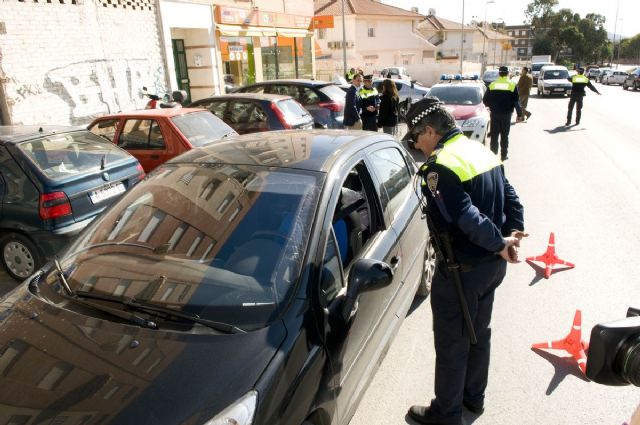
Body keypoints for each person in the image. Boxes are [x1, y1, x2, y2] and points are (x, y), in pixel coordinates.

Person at [402, 97, 527, 425]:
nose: (417, 145)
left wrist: (500, 242)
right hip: (491, 269)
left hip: (461, 272)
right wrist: (512, 233)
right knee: (479, 333)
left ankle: (447, 414)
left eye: (416, 138)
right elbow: (512, 197)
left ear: (430, 131)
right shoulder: (481, 150)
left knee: (452, 344)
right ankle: (474, 399)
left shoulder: (439, 166)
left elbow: (464, 216)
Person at [482, 66, 523, 161]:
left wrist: (491, 106)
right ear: (508, 73)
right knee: (504, 135)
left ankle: (493, 156)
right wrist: (519, 114)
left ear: (499, 74)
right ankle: (503, 156)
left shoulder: (492, 85)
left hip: (495, 114)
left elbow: (485, 100)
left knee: (494, 135)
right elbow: (516, 101)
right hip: (506, 115)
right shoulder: (512, 85)